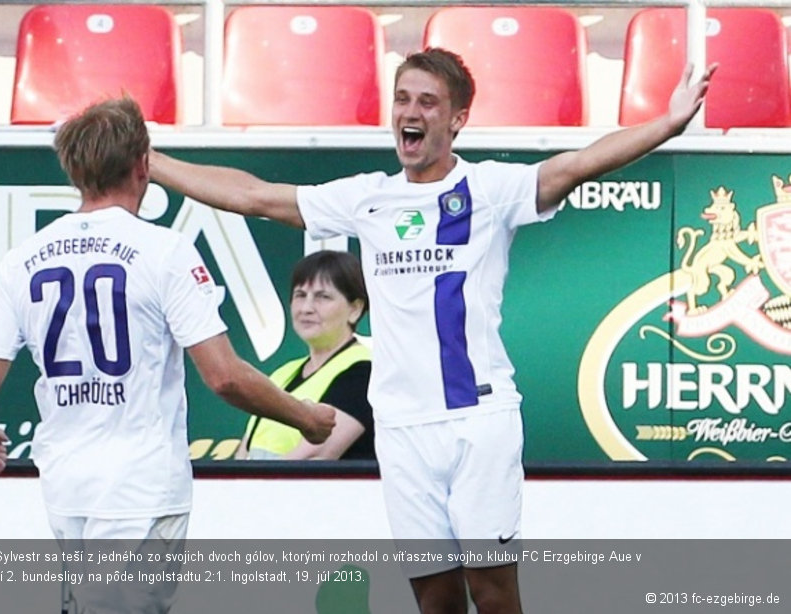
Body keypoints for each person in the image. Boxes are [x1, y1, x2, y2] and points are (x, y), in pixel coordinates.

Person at [148, 48, 716, 614]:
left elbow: (577, 164)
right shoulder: (368, 197)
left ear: (457, 118)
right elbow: (253, 195)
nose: (409, 112)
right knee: (434, 598)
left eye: (427, 102)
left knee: (492, 590)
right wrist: (150, 162)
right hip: (401, 430)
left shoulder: (490, 190)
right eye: (401, 99)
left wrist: (666, 124)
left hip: (477, 422)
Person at [0, 97, 335, 614]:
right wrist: (306, 417)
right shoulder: (164, 251)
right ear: (143, 165)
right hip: (141, 489)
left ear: (74, 170)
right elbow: (223, 378)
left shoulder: (21, 261)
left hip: (67, 489)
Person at [234, 249, 374, 460]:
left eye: (323, 297)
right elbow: (243, 455)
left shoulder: (365, 372)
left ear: (355, 309)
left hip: (307, 492)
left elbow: (313, 459)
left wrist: (251, 489)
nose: (306, 308)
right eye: (300, 295)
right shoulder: (282, 374)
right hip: (259, 490)